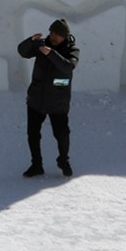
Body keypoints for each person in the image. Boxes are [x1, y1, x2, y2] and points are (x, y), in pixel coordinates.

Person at [18, 18, 79, 178]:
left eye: (57, 34)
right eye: (51, 32)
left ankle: (63, 160)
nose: (53, 36)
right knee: (33, 134)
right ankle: (36, 165)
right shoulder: (42, 45)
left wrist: (51, 53)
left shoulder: (72, 50)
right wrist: (30, 41)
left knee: (62, 134)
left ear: (65, 36)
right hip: (36, 99)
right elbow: (23, 52)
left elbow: (67, 68)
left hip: (58, 101)